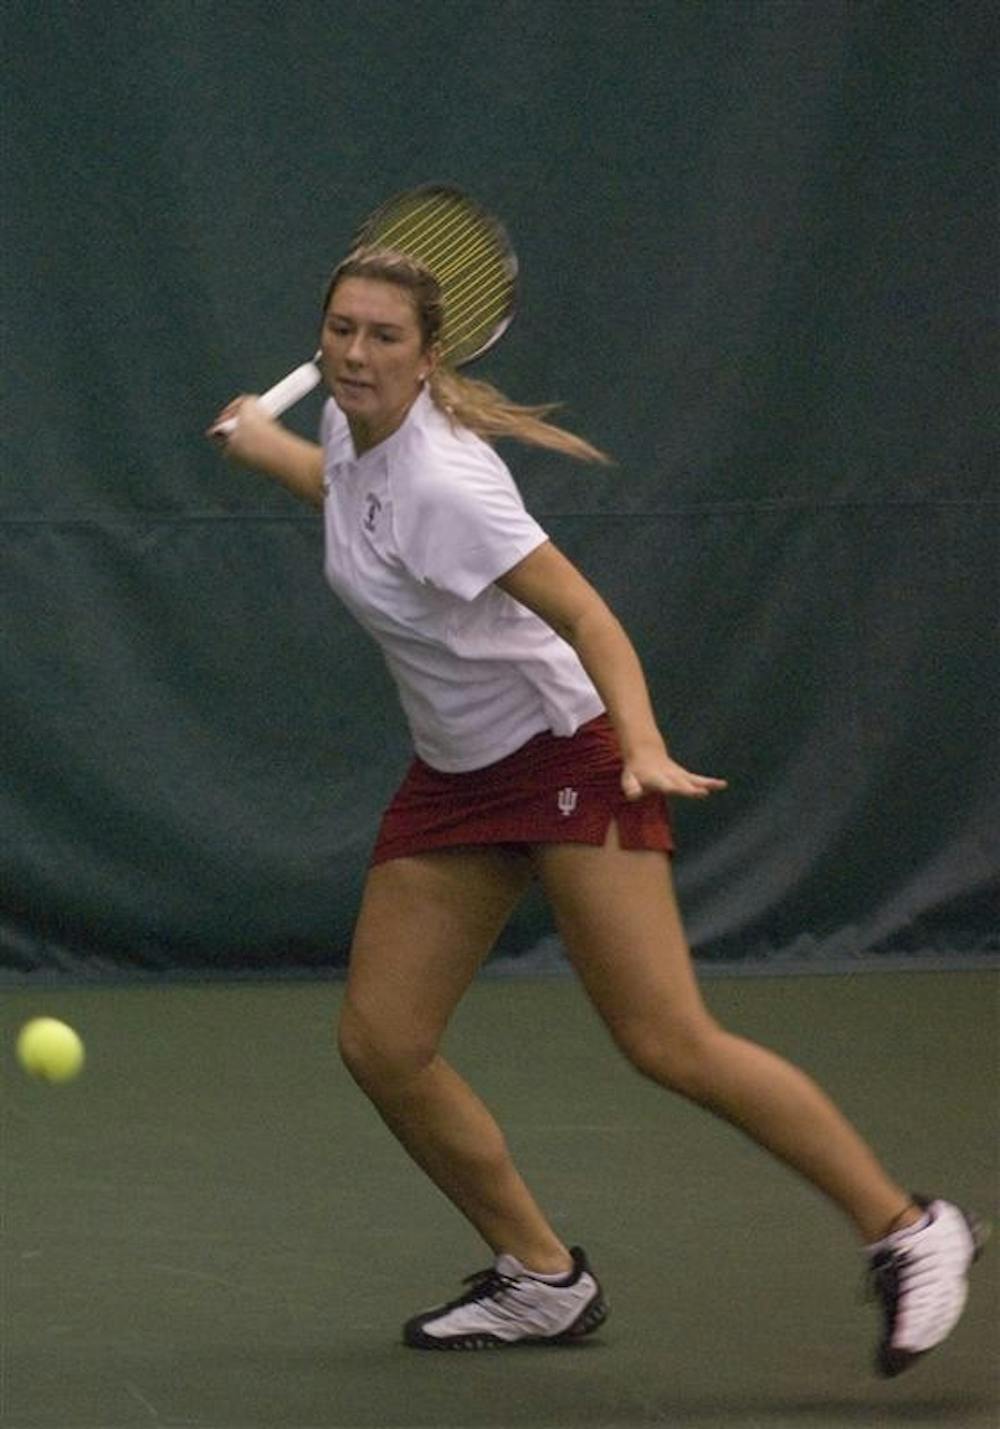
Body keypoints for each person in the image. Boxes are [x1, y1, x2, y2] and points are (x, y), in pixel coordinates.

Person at [209, 247, 985, 1370]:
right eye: (340, 329)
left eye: (384, 336)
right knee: (383, 1042)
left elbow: (588, 616)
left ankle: (910, 1230)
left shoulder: (447, 477)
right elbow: (355, 507)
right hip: (456, 770)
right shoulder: (349, 426)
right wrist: (275, 446)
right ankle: (540, 1279)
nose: (355, 353)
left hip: (565, 752)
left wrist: (644, 744)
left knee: (665, 1039)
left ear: (431, 356)